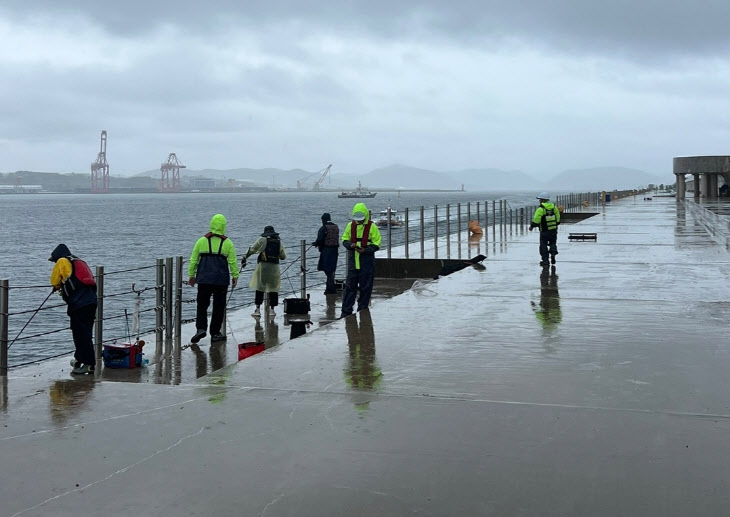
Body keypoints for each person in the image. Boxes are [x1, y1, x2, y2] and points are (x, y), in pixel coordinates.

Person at [188, 214, 239, 344]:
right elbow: (232, 261)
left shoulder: (201, 241)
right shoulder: (227, 243)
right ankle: (215, 333)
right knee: (219, 306)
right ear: (223, 226)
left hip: (204, 278)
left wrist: (192, 275)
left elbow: (193, 260)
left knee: (202, 305)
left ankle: (200, 328)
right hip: (221, 280)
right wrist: (235, 276)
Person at [49, 244, 98, 375]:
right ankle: (79, 359)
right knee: (85, 331)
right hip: (91, 301)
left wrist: (57, 286)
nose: (54, 263)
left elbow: (54, 282)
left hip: (78, 303)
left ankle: (89, 364)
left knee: (80, 334)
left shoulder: (62, 261)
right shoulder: (78, 261)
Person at [341, 202, 381, 318]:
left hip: (366, 261)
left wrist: (366, 250)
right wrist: (350, 245)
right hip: (353, 261)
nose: (358, 221)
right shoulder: (350, 225)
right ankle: (346, 312)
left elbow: (376, 244)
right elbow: (344, 239)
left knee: (365, 287)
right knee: (350, 287)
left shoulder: (372, 227)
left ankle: (362, 310)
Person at [243, 225, 286, 318]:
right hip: (274, 268)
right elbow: (283, 257)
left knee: (260, 288)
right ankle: (272, 310)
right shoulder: (278, 241)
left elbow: (252, 249)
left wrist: (244, 257)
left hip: (263, 267)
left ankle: (257, 310)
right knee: (274, 289)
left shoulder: (262, 240)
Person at [529, 192, 560, 266]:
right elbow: (558, 218)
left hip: (544, 231)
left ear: (542, 200)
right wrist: (556, 224)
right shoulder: (554, 207)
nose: (539, 201)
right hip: (553, 230)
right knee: (553, 243)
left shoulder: (541, 209)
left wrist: (532, 226)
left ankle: (545, 261)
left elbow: (536, 220)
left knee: (543, 245)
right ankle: (553, 253)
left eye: (540, 199)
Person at [312, 212, 339, 294]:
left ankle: (331, 288)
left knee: (327, 269)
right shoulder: (336, 227)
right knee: (331, 269)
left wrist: (315, 243)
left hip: (326, 251)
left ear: (323, 220)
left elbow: (320, 239)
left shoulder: (323, 228)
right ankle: (329, 287)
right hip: (335, 250)